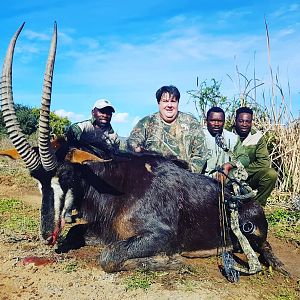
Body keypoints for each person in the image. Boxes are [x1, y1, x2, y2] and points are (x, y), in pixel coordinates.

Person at [127, 85, 209, 173]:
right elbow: (132, 144)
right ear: (159, 103)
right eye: (165, 101)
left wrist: (187, 175)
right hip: (152, 177)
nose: (169, 105)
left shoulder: (191, 123)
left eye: (173, 101)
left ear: (178, 103)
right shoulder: (146, 122)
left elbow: (200, 155)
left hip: (185, 179)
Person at [64, 99, 120, 223]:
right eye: (101, 111)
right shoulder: (83, 127)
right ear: (93, 112)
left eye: (108, 112)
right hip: (80, 165)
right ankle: (67, 210)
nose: (105, 115)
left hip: (100, 169)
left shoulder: (113, 136)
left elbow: (115, 156)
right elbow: (70, 135)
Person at [234, 107, 277, 206]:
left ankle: (256, 206)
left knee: (271, 174)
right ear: (235, 121)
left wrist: (242, 173)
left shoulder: (257, 137)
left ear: (251, 122)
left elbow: (264, 162)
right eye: (241, 121)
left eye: (247, 121)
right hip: (227, 176)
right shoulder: (226, 134)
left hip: (247, 177)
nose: (244, 124)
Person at [203, 106, 249, 180]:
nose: (216, 124)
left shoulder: (233, 138)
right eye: (212, 120)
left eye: (220, 121)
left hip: (226, 176)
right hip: (203, 179)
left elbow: (245, 158)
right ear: (206, 121)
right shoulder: (199, 136)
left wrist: (229, 165)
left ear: (224, 122)